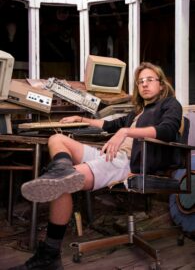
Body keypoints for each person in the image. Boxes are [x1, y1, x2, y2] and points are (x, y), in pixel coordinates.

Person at [9, 62, 183, 270]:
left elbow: (167, 131)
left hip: (128, 162)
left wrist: (126, 132)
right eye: (140, 82)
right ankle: (61, 170)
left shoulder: (170, 104)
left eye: (149, 80)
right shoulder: (137, 113)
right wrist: (80, 118)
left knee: (61, 184)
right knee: (57, 139)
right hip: (109, 155)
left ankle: (49, 255)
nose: (144, 85)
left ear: (161, 85)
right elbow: (109, 125)